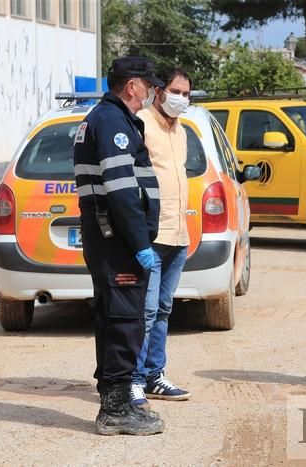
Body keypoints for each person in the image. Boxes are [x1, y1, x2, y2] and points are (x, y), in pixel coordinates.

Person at [73, 56, 165, 435]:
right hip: (117, 239)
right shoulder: (112, 121)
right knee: (125, 322)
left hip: (111, 237)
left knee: (114, 320)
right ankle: (114, 411)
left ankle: (120, 398)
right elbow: (122, 190)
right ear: (132, 86)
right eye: (150, 84)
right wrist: (140, 241)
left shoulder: (108, 118)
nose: (153, 91)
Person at [130, 69, 192, 408]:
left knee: (165, 309)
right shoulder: (141, 124)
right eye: (174, 90)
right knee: (146, 310)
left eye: (185, 92)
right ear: (158, 91)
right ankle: (135, 379)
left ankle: (155, 374)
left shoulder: (181, 130)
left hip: (178, 234)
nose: (180, 97)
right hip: (151, 236)